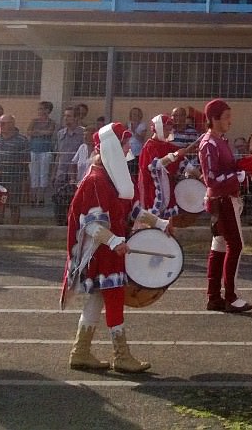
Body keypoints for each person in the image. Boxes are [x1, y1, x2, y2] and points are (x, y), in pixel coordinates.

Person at [62, 122, 168, 373]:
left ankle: (81, 351)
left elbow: (130, 209)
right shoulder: (96, 180)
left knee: (98, 299)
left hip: (110, 249)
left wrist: (160, 223)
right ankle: (121, 356)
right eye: (123, 143)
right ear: (110, 147)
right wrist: (114, 241)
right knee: (113, 298)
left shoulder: (112, 176)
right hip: (102, 253)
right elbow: (89, 224)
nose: (127, 148)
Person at [198, 99, 252, 313]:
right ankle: (230, 296)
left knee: (219, 246)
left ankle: (214, 297)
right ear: (214, 119)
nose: (230, 121)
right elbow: (212, 180)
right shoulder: (209, 144)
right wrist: (238, 177)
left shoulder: (220, 141)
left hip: (225, 199)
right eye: (226, 117)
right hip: (222, 200)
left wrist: (251, 165)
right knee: (236, 245)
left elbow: (230, 168)